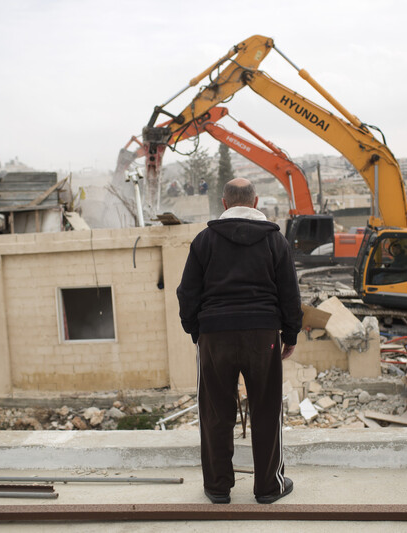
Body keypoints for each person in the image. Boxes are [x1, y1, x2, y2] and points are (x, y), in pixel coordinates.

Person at [177, 177, 302, 505]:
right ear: (256, 201)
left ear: (224, 203)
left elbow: (187, 292)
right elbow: (290, 293)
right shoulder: (275, 241)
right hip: (263, 335)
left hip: (214, 335)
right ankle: (268, 488)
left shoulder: (204, 241)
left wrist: (196, 332)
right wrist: (290, 335)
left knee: (216, 413)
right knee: (266, 409)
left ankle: (218, 488)